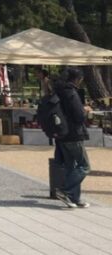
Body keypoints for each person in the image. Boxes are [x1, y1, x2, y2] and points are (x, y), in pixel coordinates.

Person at [53, 67, 92, 208]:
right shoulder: (71, 92)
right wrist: (85, 110)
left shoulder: (58, 90)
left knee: (71, 166)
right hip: (73, 134)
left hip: (61, 134)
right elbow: (79, 116)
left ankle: (74, 198)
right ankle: (66, 190)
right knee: (84, 166)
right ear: (78, 79)